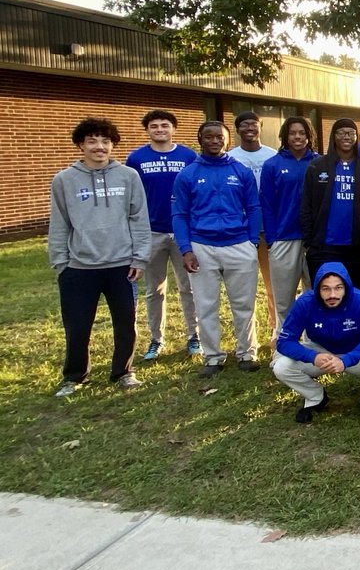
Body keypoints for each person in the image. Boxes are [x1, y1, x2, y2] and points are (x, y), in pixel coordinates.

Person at [50, 117, 150, 396]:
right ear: (81, 145)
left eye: (105, 141)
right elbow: (59, 223)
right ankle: (74, 376)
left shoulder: (128, 176)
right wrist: (61, 263)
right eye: (92, 141)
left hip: (122, 265)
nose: (99, 147)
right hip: (79, 267)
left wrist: (139, 258)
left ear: (112, 145)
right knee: (77, 325)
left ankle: (123, 372)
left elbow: (139, 218)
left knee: (126, 323)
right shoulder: (64, 180)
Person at [172, 120, 262, 377]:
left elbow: (253, 207)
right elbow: (179, 214)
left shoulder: (240, 171)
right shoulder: (188, 174)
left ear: (227, 139)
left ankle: (247, 352)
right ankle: (212, 356)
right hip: (202, 246)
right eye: (208, 137)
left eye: (219, 137)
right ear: (200, 140)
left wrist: (252, 241)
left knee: (244, 304)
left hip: (239, 244)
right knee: (206, 305)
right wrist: (186, 249)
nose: (214, 141)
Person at [272, 262, 360, 422]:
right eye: (326, 289)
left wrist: (345, 360)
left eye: (338, 288)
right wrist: (313, 356)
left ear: (346, 287)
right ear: (317, 289)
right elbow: (285, 341)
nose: (332, 294)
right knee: (281, 366)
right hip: (320, 350)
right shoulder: (305, 302)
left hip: (354, 350)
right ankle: (315, 396)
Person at [125, 109, 199, 359]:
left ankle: (194, 336)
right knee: (154, 290)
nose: (159, 130)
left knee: (189, 287)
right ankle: (156, 339)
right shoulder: (136, 158)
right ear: (147, 130)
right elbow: (131, 196)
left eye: (164, 125)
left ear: (173, 129)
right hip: (151, 232)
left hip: (183, 232)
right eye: (154, 126)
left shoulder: (188, 156)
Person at [300, 117, 360, 311]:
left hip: (357, 246)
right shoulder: (317, 166)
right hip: (325, 246)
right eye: (341, 133)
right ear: (333, 137)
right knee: (326, 296)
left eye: (351, 133)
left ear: (357, 137)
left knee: (356, 295)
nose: (346, 137)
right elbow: (307, 205)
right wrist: (309, 241)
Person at [260, 116, 318, 335]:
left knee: (315, 293)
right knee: (284, 298)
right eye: (292, 133)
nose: (297, 137)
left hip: (315, 240)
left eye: (302, 133)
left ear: (309, 136)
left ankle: (313, 340)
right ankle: (284, 340)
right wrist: (272, 240)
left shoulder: (320, 163)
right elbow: (266, 204)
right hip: (284, 238)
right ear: (285, 136)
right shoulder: (272, 165)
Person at [226, 110, 278, 330]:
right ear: (237, 130)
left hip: (268, 228)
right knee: (244, 286)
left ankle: (276, 327)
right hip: (241, 230)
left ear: (260, 127)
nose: (249, 128)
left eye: (253, 124)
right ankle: (248, 330)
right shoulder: (230, 157)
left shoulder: (272, 155)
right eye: (244, 124)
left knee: (273, 283)